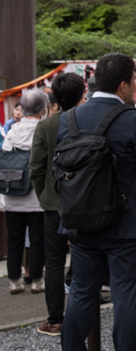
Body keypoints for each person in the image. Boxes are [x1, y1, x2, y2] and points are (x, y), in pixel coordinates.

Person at [58, 53, 136, 351]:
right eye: (134, 82)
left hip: (81, 222)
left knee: (82, 294)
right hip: (125, 224)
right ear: (123, 84)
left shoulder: (69, 118)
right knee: (125, 297)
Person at [29, 72, 86, 335]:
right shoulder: (89, 121)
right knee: (86, 255)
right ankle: (85, 317)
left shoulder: (46, 126)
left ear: (54, 99)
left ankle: (55, 319)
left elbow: (36, 168)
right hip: (86, 201)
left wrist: (45, 196)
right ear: (81, 94)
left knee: (53, 262)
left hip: (54, 204)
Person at [1, 88, 49, 296]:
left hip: (12, 193)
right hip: (36, 196)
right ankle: (37, 280)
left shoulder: (12, 131)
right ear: (42, 109)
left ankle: (14, 281)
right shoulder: (43, 130)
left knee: (14, 239)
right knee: (38, 239)